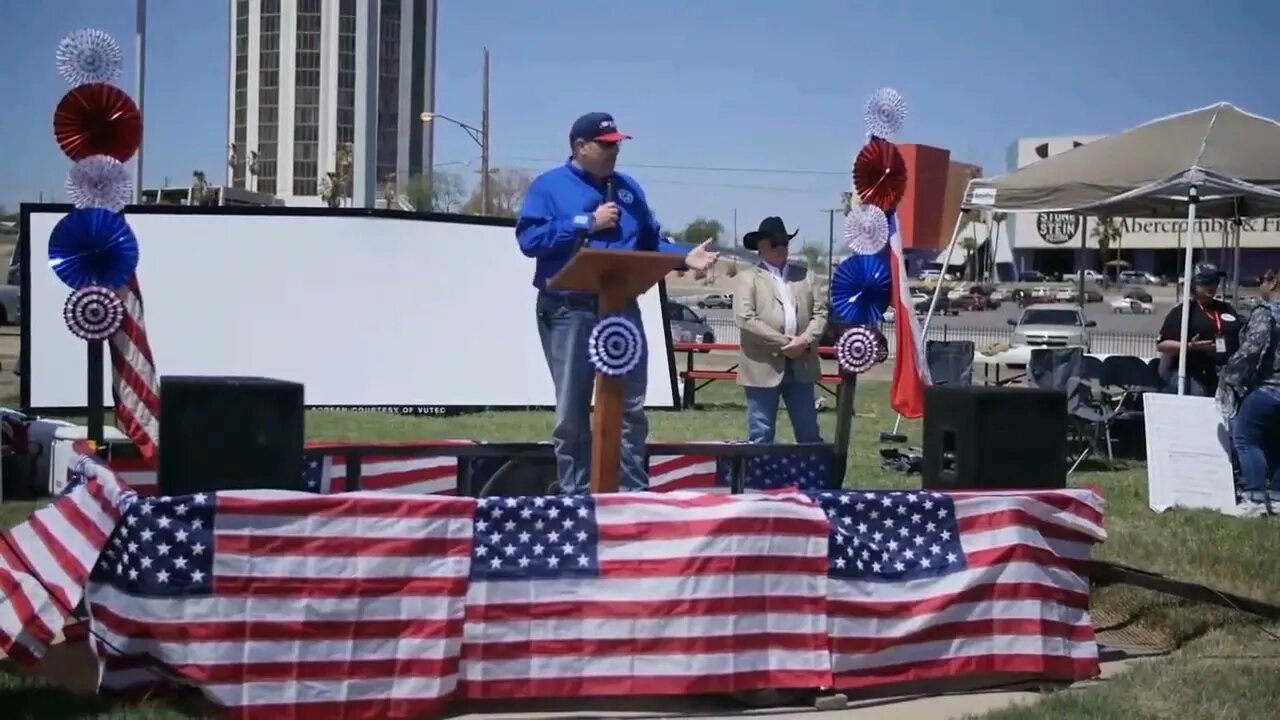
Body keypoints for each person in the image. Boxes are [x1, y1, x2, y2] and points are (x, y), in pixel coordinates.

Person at [515, 112, 718, 494]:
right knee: (572, 412)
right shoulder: (549, 187)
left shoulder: (628, 189)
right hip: (568, 310)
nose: (614, 151)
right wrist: (585, 222)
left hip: (620, 308)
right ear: (580, 146)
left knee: (630, 407)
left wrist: (683, 256)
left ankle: (631, 492)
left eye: (617, 144)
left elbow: (649, 242)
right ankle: (576, 494)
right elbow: (530, 241)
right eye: (606, 145)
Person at [733, 217, 828, 444]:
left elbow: (821, 314)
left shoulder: (806, 275)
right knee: (761, 433)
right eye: (775, 243)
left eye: (784, 242)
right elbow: (746, 319)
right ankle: (759, 478)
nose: (781, 248)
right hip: (761, 367)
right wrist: (785, 343)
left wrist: (803, 341)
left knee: (808, 432)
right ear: (761, 247)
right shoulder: (747, 278)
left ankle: (811, 478)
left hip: (801, 365)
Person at [1218, 270, 1280, 515]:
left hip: (1268, 388)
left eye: (1261, 281)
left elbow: (1252, 349)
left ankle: (1254, 500)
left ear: (1274, 282)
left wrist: (1229, 375)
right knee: (1276, 444)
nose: (1259, 286)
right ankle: (1276, 499)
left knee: (1245, 439)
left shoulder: (1266, 313)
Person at [1156, 262, 1241, 396]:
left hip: (1224, 372)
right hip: (1191, 373)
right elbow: (1162, 345)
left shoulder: (1226, 309)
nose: (1212, 286)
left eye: (1215, 281)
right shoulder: (1183, 312)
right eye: (1206, 281)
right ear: (1193, 285)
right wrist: (1191, 346)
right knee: (1199, 394)